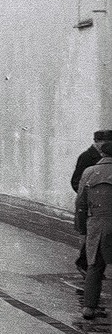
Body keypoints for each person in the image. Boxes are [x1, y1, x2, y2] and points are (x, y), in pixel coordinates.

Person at [75, 130, 112, 320]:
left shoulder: (89, 172)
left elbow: (80, 204)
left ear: (103, 154)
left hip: (97, 225)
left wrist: (82, 228)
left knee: (95, 266)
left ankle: (89, 307)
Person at [71, 138, 104, 274]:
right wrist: (86, 196)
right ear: (97, 142)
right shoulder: (86, 157)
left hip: (100, 204)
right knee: (92, 236)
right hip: (91, 204)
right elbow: (76, 181)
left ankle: (91, 267)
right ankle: (86, 265)